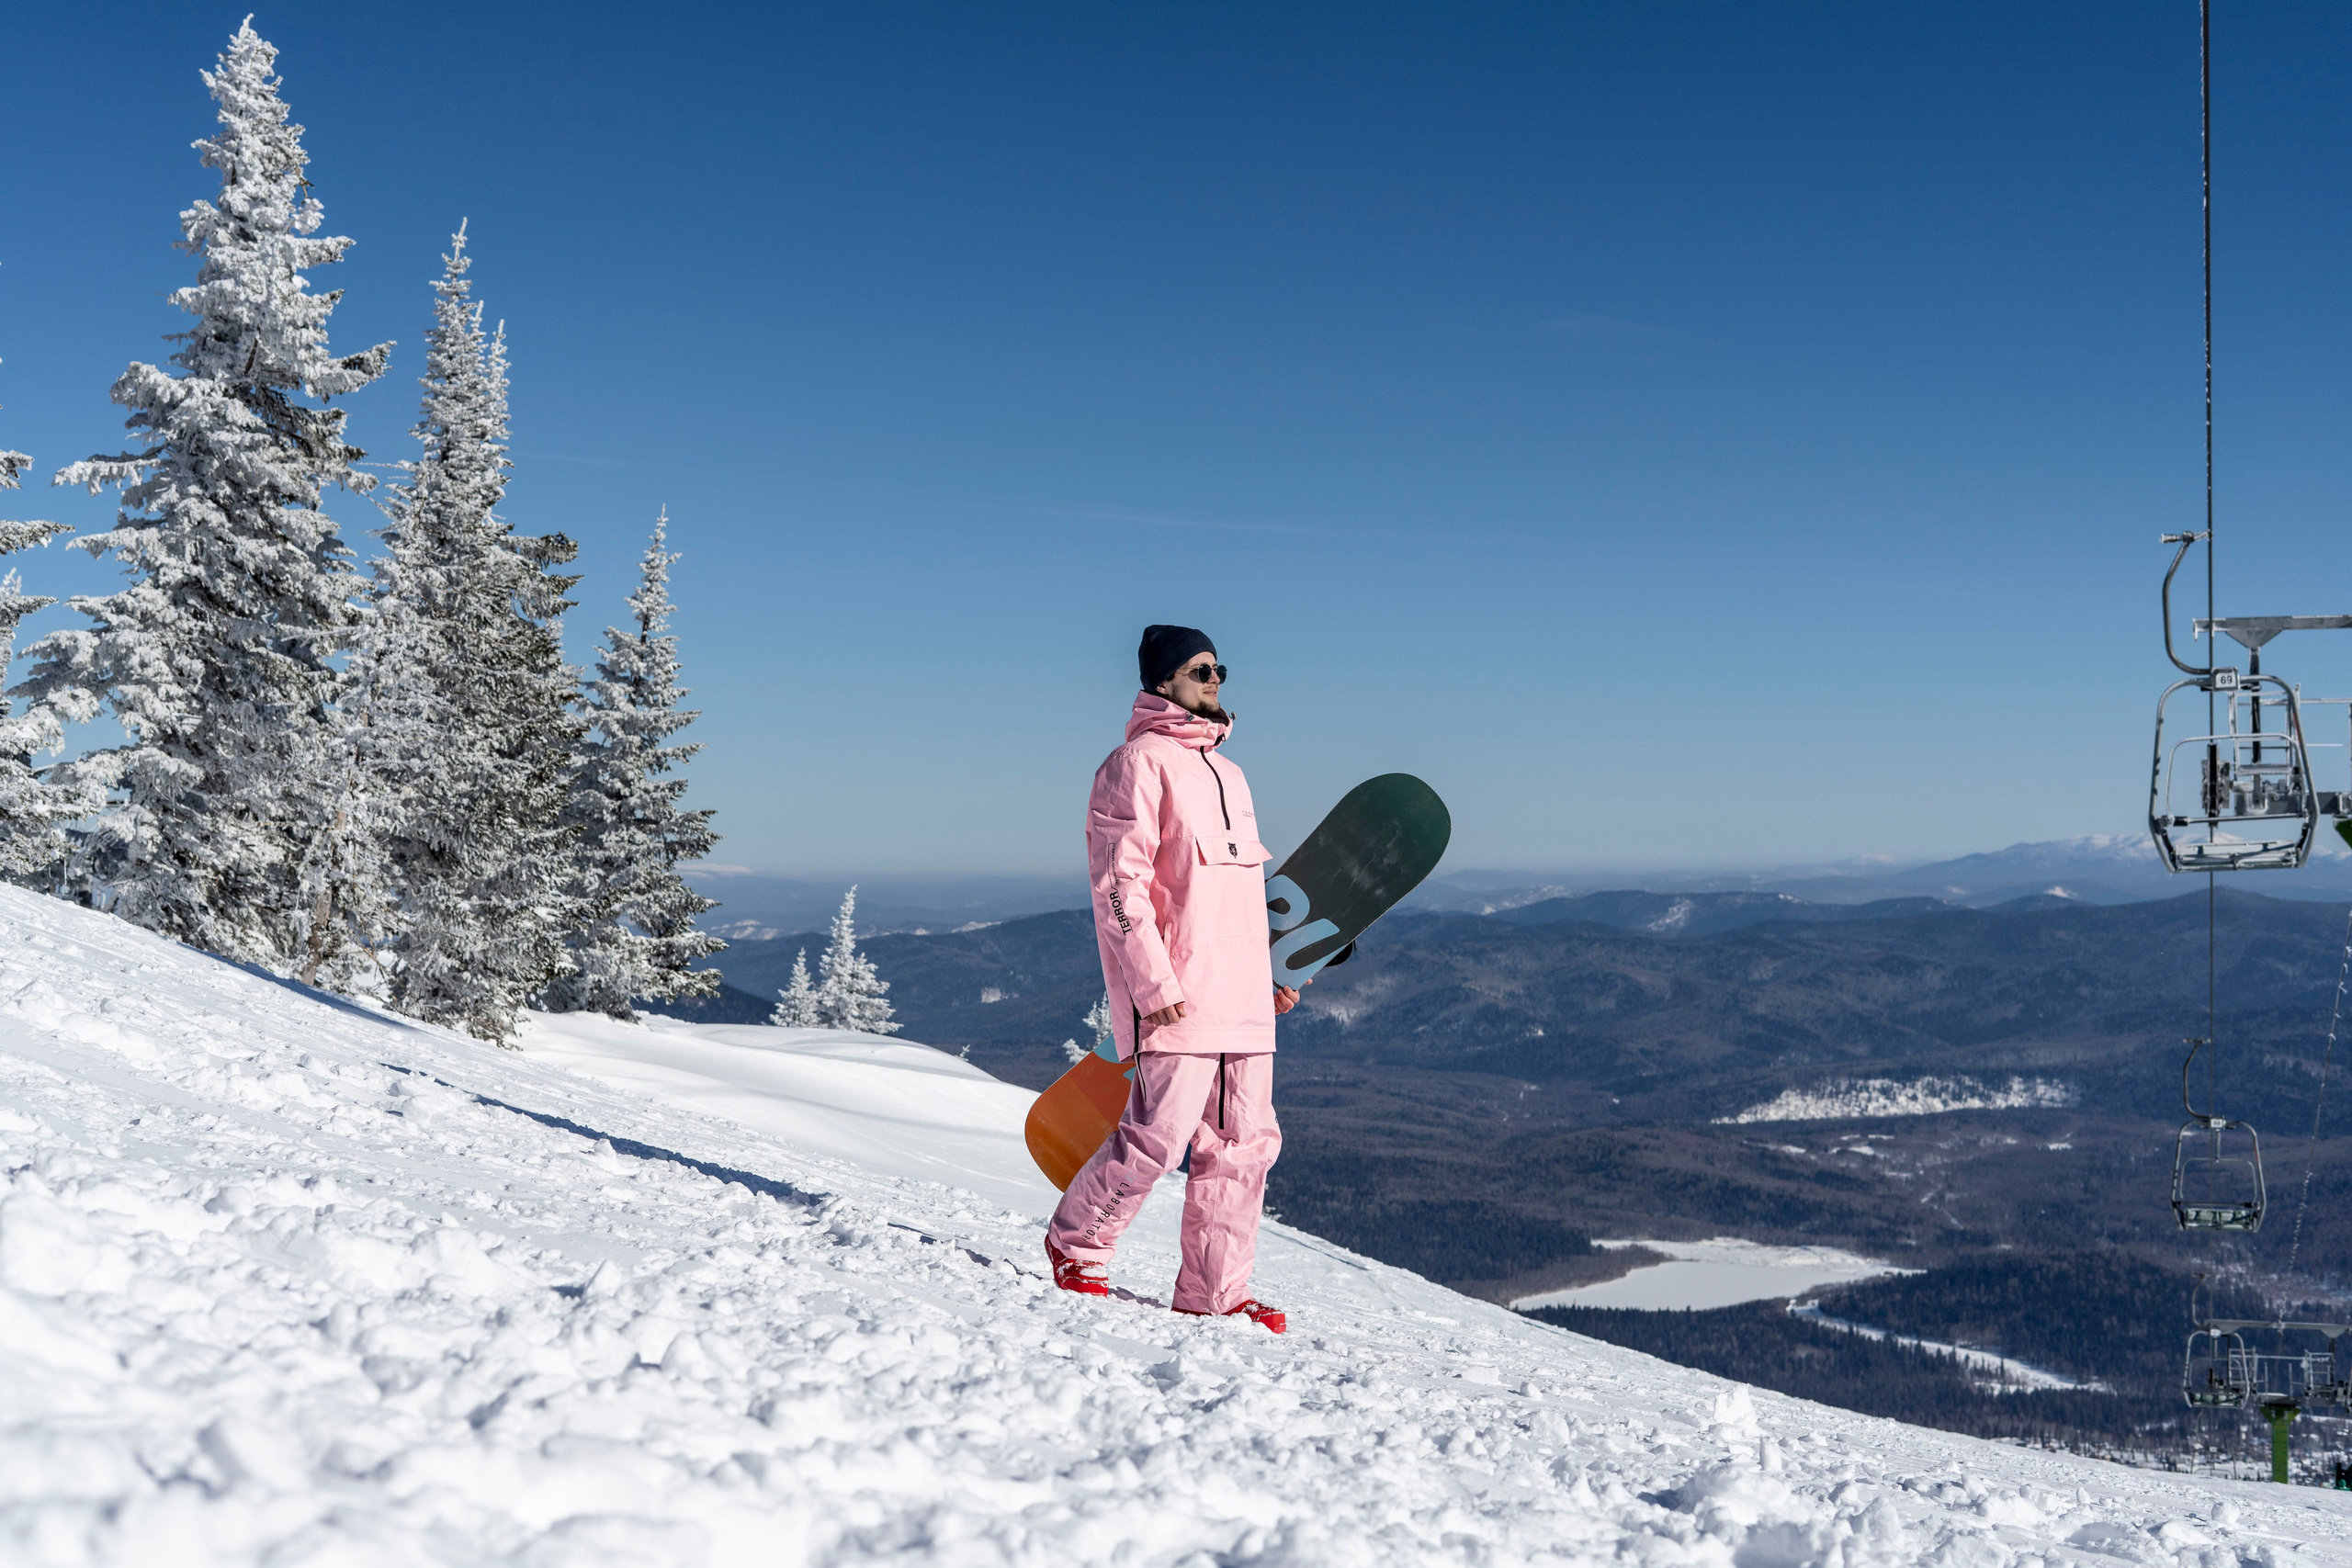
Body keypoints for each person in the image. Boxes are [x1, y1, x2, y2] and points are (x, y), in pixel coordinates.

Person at [1044, 625, 1295, 1332]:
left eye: (1220, 668)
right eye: (1199, 669)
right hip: (1179, 997)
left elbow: (1233, 897)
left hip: (1241, 1000)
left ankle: (1215, 1291)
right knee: (1158, 1134)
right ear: (1162, 682)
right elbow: (1119, 886)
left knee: (1244, 1145)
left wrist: (1264, 976)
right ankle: (1077, 1243)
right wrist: (1153, 986)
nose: (1215, 679)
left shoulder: (1233, 775)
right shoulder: (1135, 764)